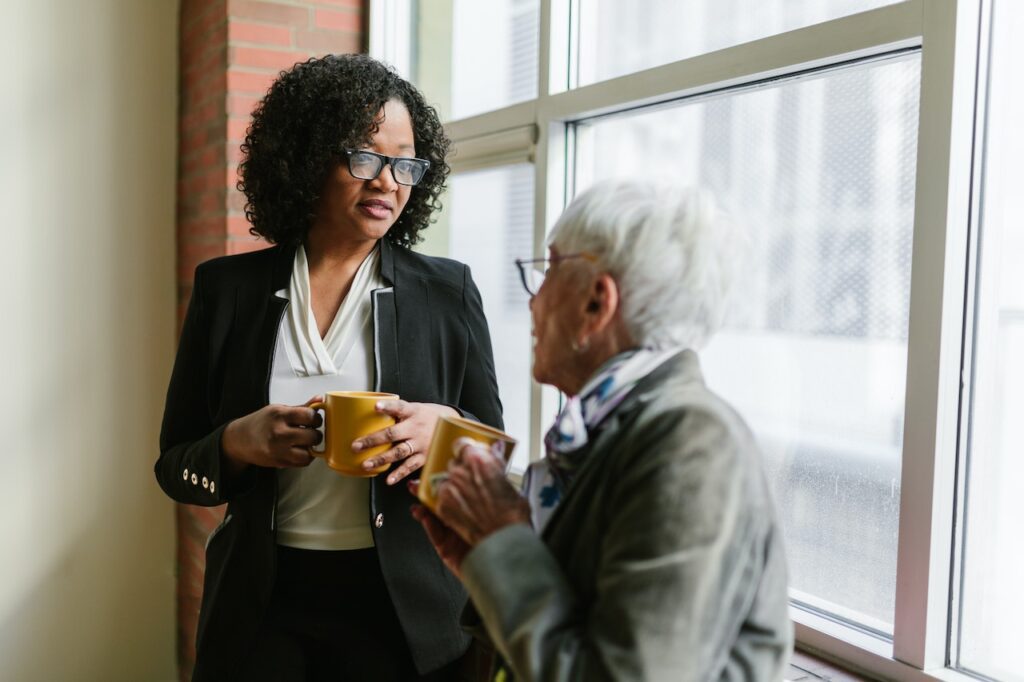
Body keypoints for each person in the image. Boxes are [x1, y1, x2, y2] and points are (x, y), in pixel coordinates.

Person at [156, 54, 502, 681]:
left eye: (406, 164)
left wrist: (444, 429)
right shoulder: (227, 290)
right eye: (365, 158)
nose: (388, 182)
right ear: (309, 157)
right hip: (260, 611)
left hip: (406, 614)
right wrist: (237, 443)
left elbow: (494, 457)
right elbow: (176, 465)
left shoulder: (446, 291)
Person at [413, 180, 793, 681]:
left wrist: (502, 540)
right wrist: (485, 561)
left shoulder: (693, 444)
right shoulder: (613, 429)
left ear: (596, 302)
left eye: (548, 271)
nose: (532, 301)